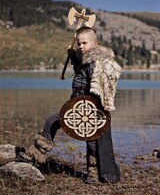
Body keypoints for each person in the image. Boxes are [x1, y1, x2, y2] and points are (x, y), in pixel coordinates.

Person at [17, 26, 122, 184]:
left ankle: (93, 173)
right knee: (52, 123)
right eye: (78, 43)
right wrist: (73, 57)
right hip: (77, 107)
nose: (80, 46)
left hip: (87, 109)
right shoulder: (87, 60)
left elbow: (97, 87)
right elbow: (82, 66)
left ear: (95, 44)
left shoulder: (96, 64)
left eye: (84, 43)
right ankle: (36, 155)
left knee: (91, 140)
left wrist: (94, 111)